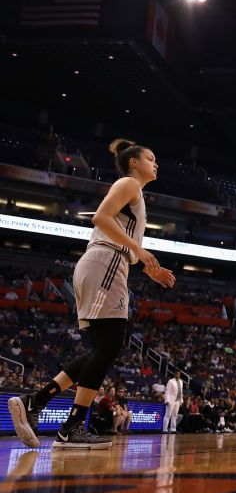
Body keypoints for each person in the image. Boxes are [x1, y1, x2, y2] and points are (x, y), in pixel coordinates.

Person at [8, 139, 175, 449]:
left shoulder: (134, 194)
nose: (156, 164)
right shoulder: (128, 183)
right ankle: (67, 424)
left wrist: (149, 265)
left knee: (101, 350)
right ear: (134, 162)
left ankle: (39, 404)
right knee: (108, 346)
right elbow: (101, 218)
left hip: (107, 264)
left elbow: (125, 241)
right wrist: (137, 249)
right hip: (105, 264)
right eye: (151, 158)